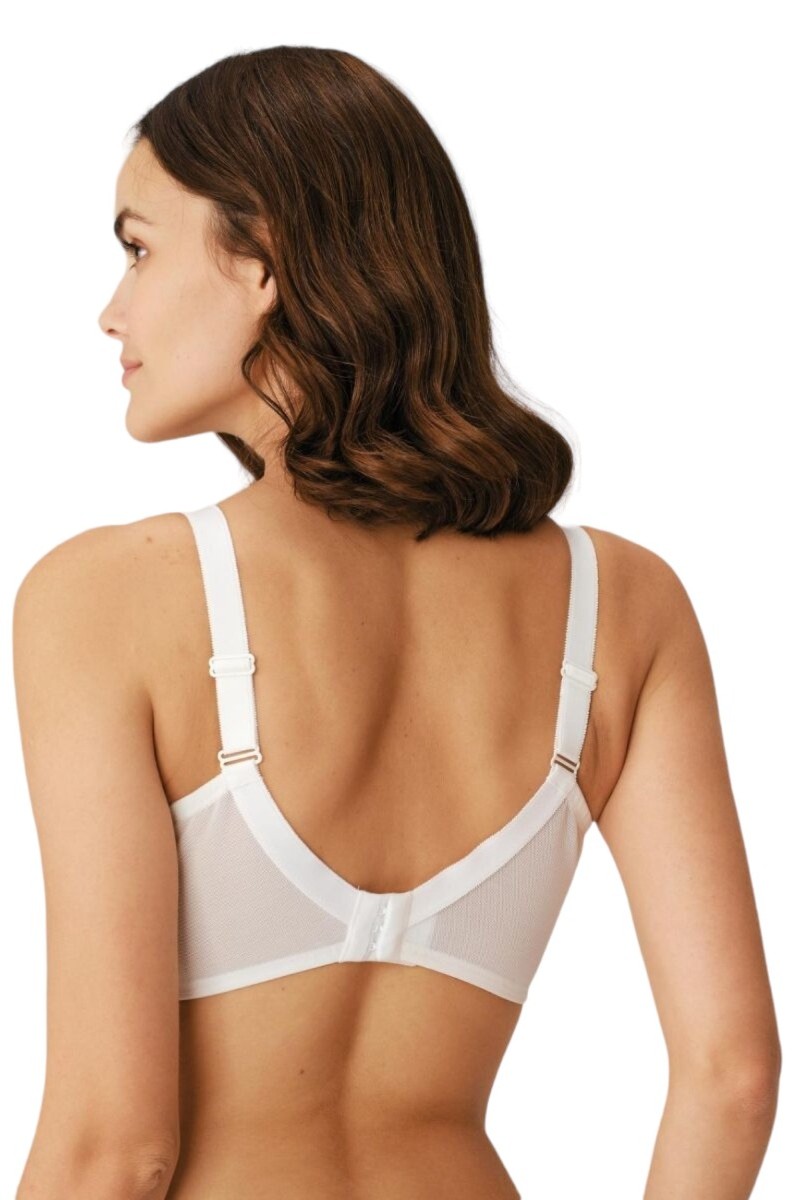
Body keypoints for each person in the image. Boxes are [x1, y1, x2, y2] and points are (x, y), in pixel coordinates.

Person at [13, 46, 780, 1200]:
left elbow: (113, 1149)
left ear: (261, 257)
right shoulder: (622, 605)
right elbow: (731, 1075)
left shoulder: (108, 598)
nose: (110, 309)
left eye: (137, 247)